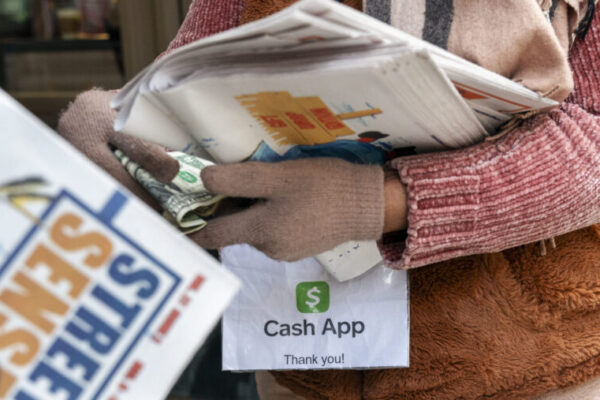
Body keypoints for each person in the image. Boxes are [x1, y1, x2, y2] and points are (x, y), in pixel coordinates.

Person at [57, 0, 600, 398]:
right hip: (304, 358)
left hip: (520, 366)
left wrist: (378, 204)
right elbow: (189, 78)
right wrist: (120, 120)